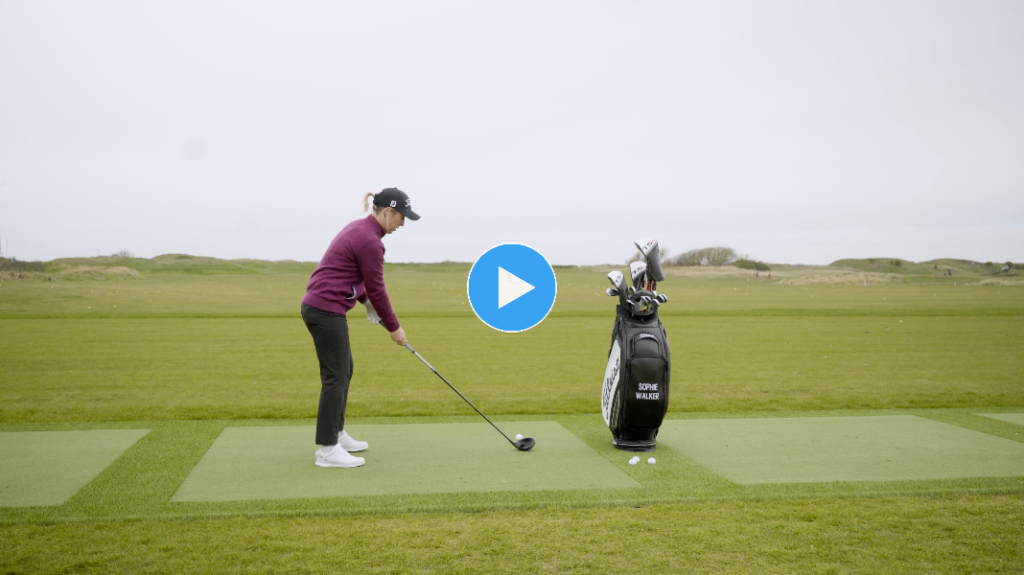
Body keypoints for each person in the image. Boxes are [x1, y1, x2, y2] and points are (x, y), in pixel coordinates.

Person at [301, 188, 420, 468]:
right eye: (401, 217)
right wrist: (394, 328)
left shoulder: (360, 229)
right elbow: (377, 288)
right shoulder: (370, 240)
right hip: (325, 310)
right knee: (336, 377)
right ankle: (328, 450)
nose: (402, 224)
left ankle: (336, 434)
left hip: (323, 307)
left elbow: (352, 276)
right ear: (388, 212)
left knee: (344, 370)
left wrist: (365, 302)